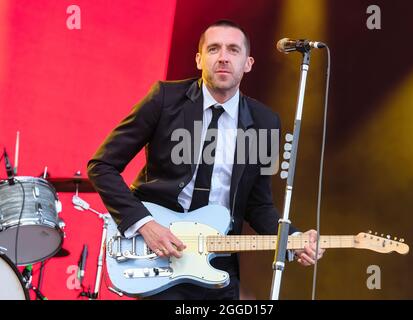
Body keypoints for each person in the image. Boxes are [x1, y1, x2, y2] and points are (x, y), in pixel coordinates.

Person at [87, 19, 325, 300]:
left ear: (248, 63)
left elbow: (258, 204)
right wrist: (145, 225)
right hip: (161, 253)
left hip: (218, 262)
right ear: (199, 59)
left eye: (233, 50)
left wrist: (293, 237)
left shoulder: (264, 121)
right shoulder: (165, 98)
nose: (223, 57)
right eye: (214, 49)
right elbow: (102, 165)